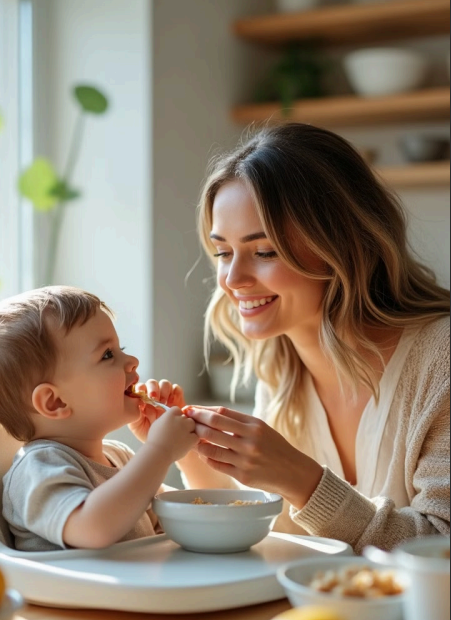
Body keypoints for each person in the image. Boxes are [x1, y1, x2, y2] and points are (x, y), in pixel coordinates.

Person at [143, 123, 450, 554]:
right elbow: (276, 533)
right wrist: (186, 449)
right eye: (222, 252)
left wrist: (300, 478)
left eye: (264, 252)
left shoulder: (441, 361)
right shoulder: (281, 366)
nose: (232, 279)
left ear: (342, 244)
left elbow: (441, 545)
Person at [0, 286, 198, 551]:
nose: (132, 360)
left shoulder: (120, 458)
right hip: (72, 594)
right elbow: (93, 528)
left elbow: (179, 515)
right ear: (55, 402)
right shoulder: (36, 468)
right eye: (108, 355)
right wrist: (161, 450)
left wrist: (189, 440)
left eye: (121, 348)